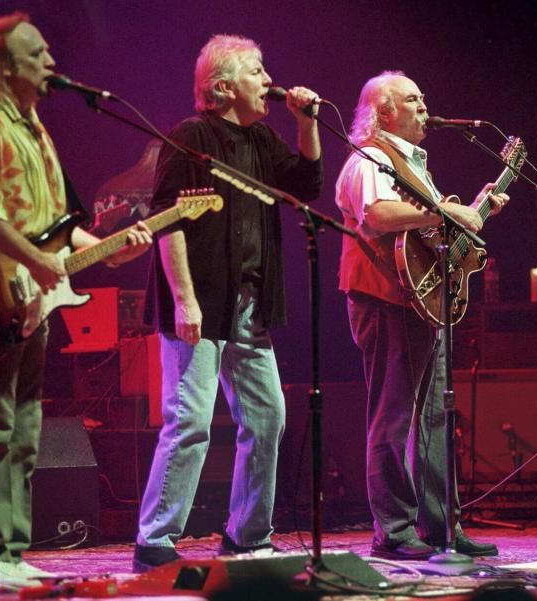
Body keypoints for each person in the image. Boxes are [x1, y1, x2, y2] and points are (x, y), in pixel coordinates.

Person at [0, 13, 152, 591]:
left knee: (25, 425)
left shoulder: (35, 126)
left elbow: (60, 230)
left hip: (32, 295)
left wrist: (110, 250)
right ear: (6, 65)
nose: (52, 62)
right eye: (39, 54)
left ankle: (11, 548)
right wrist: (33, 262)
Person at [133, 35, 323, 573]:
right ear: (221, 87)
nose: (269, 80)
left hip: (250, 305)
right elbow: (166, 222)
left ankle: (247, 535)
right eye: (257, 71)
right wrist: (185, 301)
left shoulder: (262, 140)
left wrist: (306, 123)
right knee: (190, 420)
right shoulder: (191, 137)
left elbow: (306, 184)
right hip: (200, 302)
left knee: (268, 418)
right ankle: (155, 538)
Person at [335, 71, 506, 560]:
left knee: (433, 418)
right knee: (392, 417)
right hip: (384, 298)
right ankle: (393, 530)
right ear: (384, 111)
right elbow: (379, 216)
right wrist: (445, 213)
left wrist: (475, 211)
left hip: (419, 300)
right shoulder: (371, 156)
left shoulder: (413, 165)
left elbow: (427, 240)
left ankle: (440, 528)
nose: (425, 106)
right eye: (413, 99)